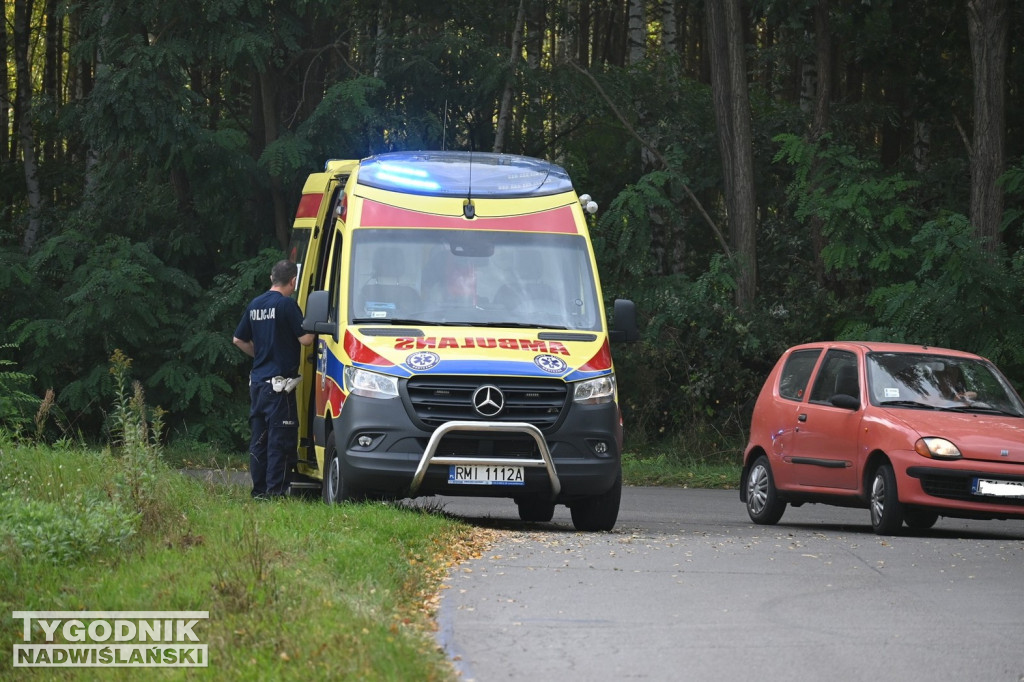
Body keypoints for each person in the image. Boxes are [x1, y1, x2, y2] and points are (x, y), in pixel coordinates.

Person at [232, 260, 315, 499]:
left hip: (257, 384)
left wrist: (260, 355)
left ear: (271, 278)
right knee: (279, 441)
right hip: (280, 389)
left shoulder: (255, 304)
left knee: (259, 439)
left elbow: (238, 340)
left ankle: (259, 492)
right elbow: (306, 340)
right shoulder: (287, 305)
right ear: (293, 281)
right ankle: (275, 493)